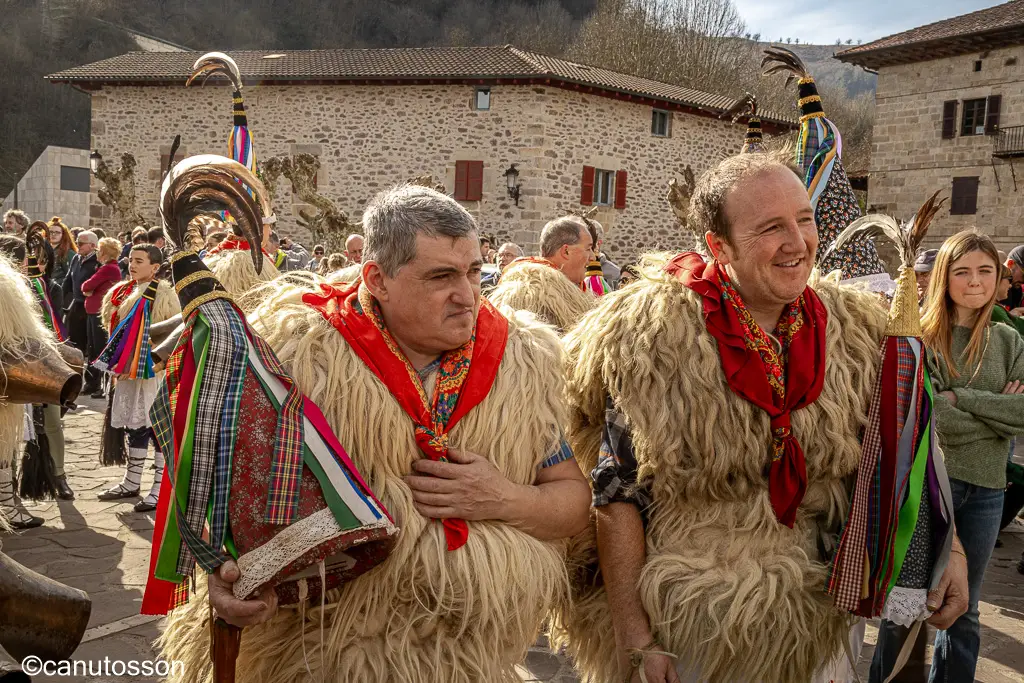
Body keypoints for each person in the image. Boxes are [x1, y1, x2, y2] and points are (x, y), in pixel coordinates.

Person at [553, 151, 969, 683]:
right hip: (695, 624)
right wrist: (636, 637)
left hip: (822, 617)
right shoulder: (649, 341)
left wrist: (948, 548)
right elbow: (615, 491)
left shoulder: (859, 331)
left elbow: (910, 450)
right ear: (718, 246)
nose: (797, 243)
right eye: (770, 228)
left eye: (804, 219)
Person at [158, 183, 591, 682]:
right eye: (441, 276)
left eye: (474, 271)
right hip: (313, 653)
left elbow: (573, 501)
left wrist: (507, 499)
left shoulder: (523, 361)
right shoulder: (294, 355)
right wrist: (222, 581)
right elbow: (219, 505)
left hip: (467, 657)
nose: (468, 295)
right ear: (377, 279)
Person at [912, 229, 1024, 680]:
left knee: (965, 609)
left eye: (985, 270)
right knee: (909, 606)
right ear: (944, 276)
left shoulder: (1008, 340)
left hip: (988, 491)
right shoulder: (923, 336)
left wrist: (961, 398)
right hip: (928, 487)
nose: (974, 281)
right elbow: (928, 419)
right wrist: (996, 407)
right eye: (962, 271)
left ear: (999, 276)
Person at [95, 244, 179, 512]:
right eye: (131, 260)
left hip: (150, 371)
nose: (132, 265)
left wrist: (145, 360)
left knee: (155, 427)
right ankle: (131, 482)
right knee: (134, 425)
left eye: (139, 261)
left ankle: (158, 488)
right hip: (126, 371)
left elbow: (168, 334)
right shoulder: (121, 292)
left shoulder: (164, 294)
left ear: (155, 267)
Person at [488, 216, 595, 332]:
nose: (593, 257)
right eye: (588, 249)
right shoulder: (532, 297)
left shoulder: (562, 293)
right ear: (566, 251)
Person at [81, 238, 124, 399]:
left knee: (98, 349)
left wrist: (90, 290)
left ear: (105, 253)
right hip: (93, 312)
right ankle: (92, 383)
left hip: (98, 313)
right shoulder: (106, 268)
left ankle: (97, 385)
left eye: (99, 250)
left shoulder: (109, 269)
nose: (97, 253)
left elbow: (86, 286)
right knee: (93, 348)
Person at [62, 230, 101, 395]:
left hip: (91, 308)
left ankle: (92, 384)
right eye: (77, 242)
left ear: (93, 245)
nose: (77, 245)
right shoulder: (77, 258)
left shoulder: (98, 261)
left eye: (81, 243)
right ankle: (74, 382)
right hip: (76, 305)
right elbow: (68, 281)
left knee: (92, 348)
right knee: (74, 346)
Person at [47, 217, 77, 308]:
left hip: (59, 294)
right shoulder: (43, 250)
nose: (53, 235)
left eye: (57, 232)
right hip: (45, 291)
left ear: (63, 235)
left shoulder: (68, 253)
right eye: (51, 232)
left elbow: (71, 278)